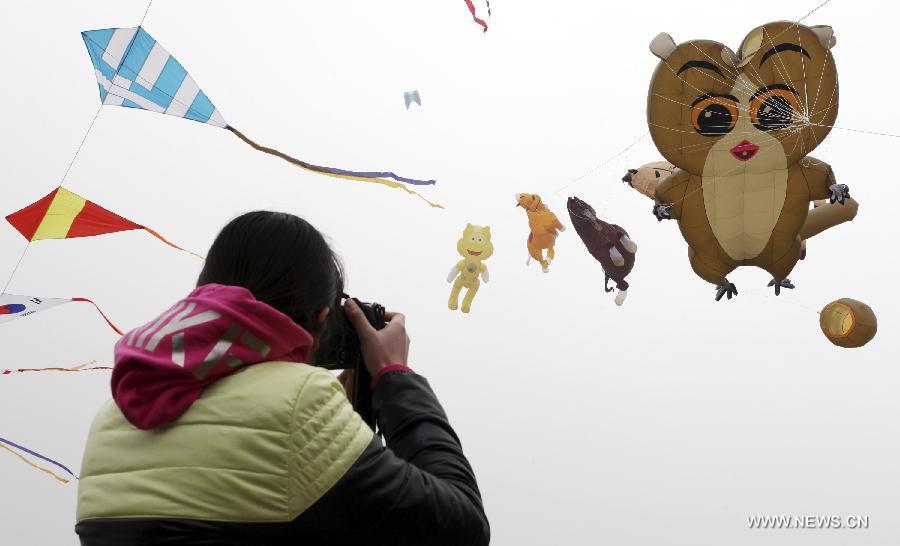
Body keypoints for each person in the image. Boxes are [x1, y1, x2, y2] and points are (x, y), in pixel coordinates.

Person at [75, 211, 490, 546]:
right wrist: (393, 375)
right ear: (322, 320)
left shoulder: (113, 414)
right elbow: (462, 527)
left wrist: (344, 425)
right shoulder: (299, 402)